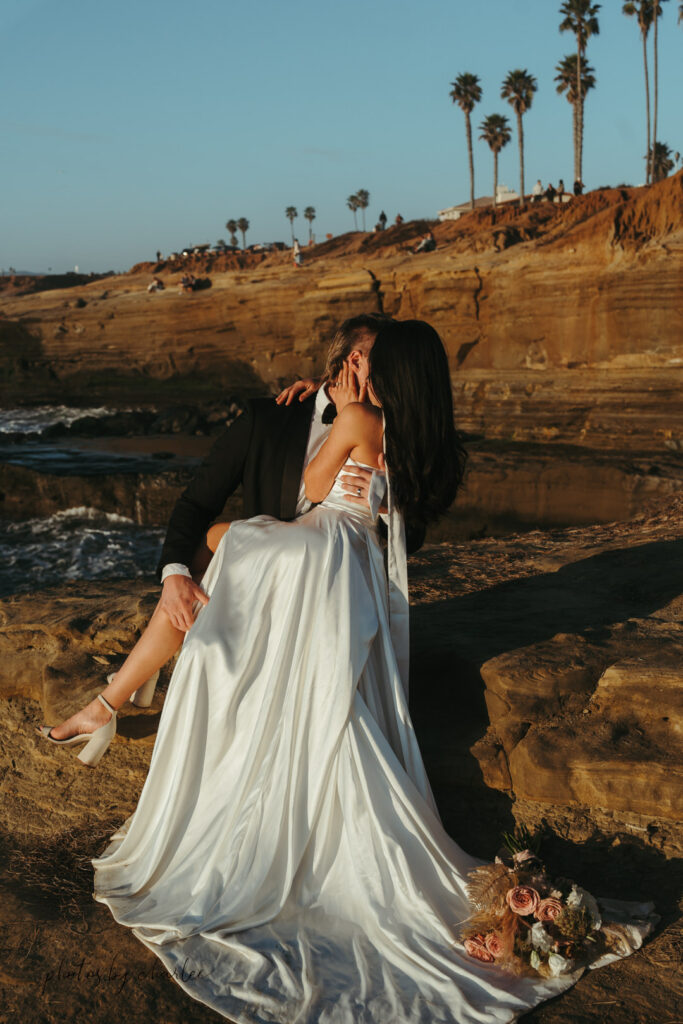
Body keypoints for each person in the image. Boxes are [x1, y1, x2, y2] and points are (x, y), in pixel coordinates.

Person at [36, 321, 654, 1022]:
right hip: (344, 571)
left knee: (227, 545)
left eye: (367, 357)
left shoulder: (361, 417)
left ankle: (110, 700)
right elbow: (214, 500)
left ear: (379, 367)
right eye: (353, 354)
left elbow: (316, 485)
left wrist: (353, 434)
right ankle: (111, 700)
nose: (355, 363)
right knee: (213, 555)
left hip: (312, 558)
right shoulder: (394, 427)